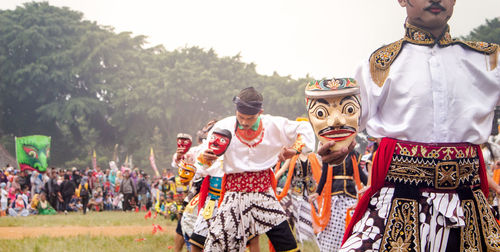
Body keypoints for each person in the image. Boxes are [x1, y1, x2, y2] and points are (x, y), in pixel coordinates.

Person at [340, 0, 500, 251]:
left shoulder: (489, 60)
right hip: (396, 202)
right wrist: (339, 144)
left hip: (467, 205)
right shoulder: (379, 64)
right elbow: (347, 128)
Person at [201, 87, 316, 252]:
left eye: (250, 118)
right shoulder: (223, 126)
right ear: (236, 111)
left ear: (260, 112)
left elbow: (304, 128)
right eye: (241, 117)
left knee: (287, 244)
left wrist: (296, 149)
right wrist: (206, 157)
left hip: (263, 193)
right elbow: (203, 160)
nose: (245, 122)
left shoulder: (273, 124)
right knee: (218, 245)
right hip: (234, 195)